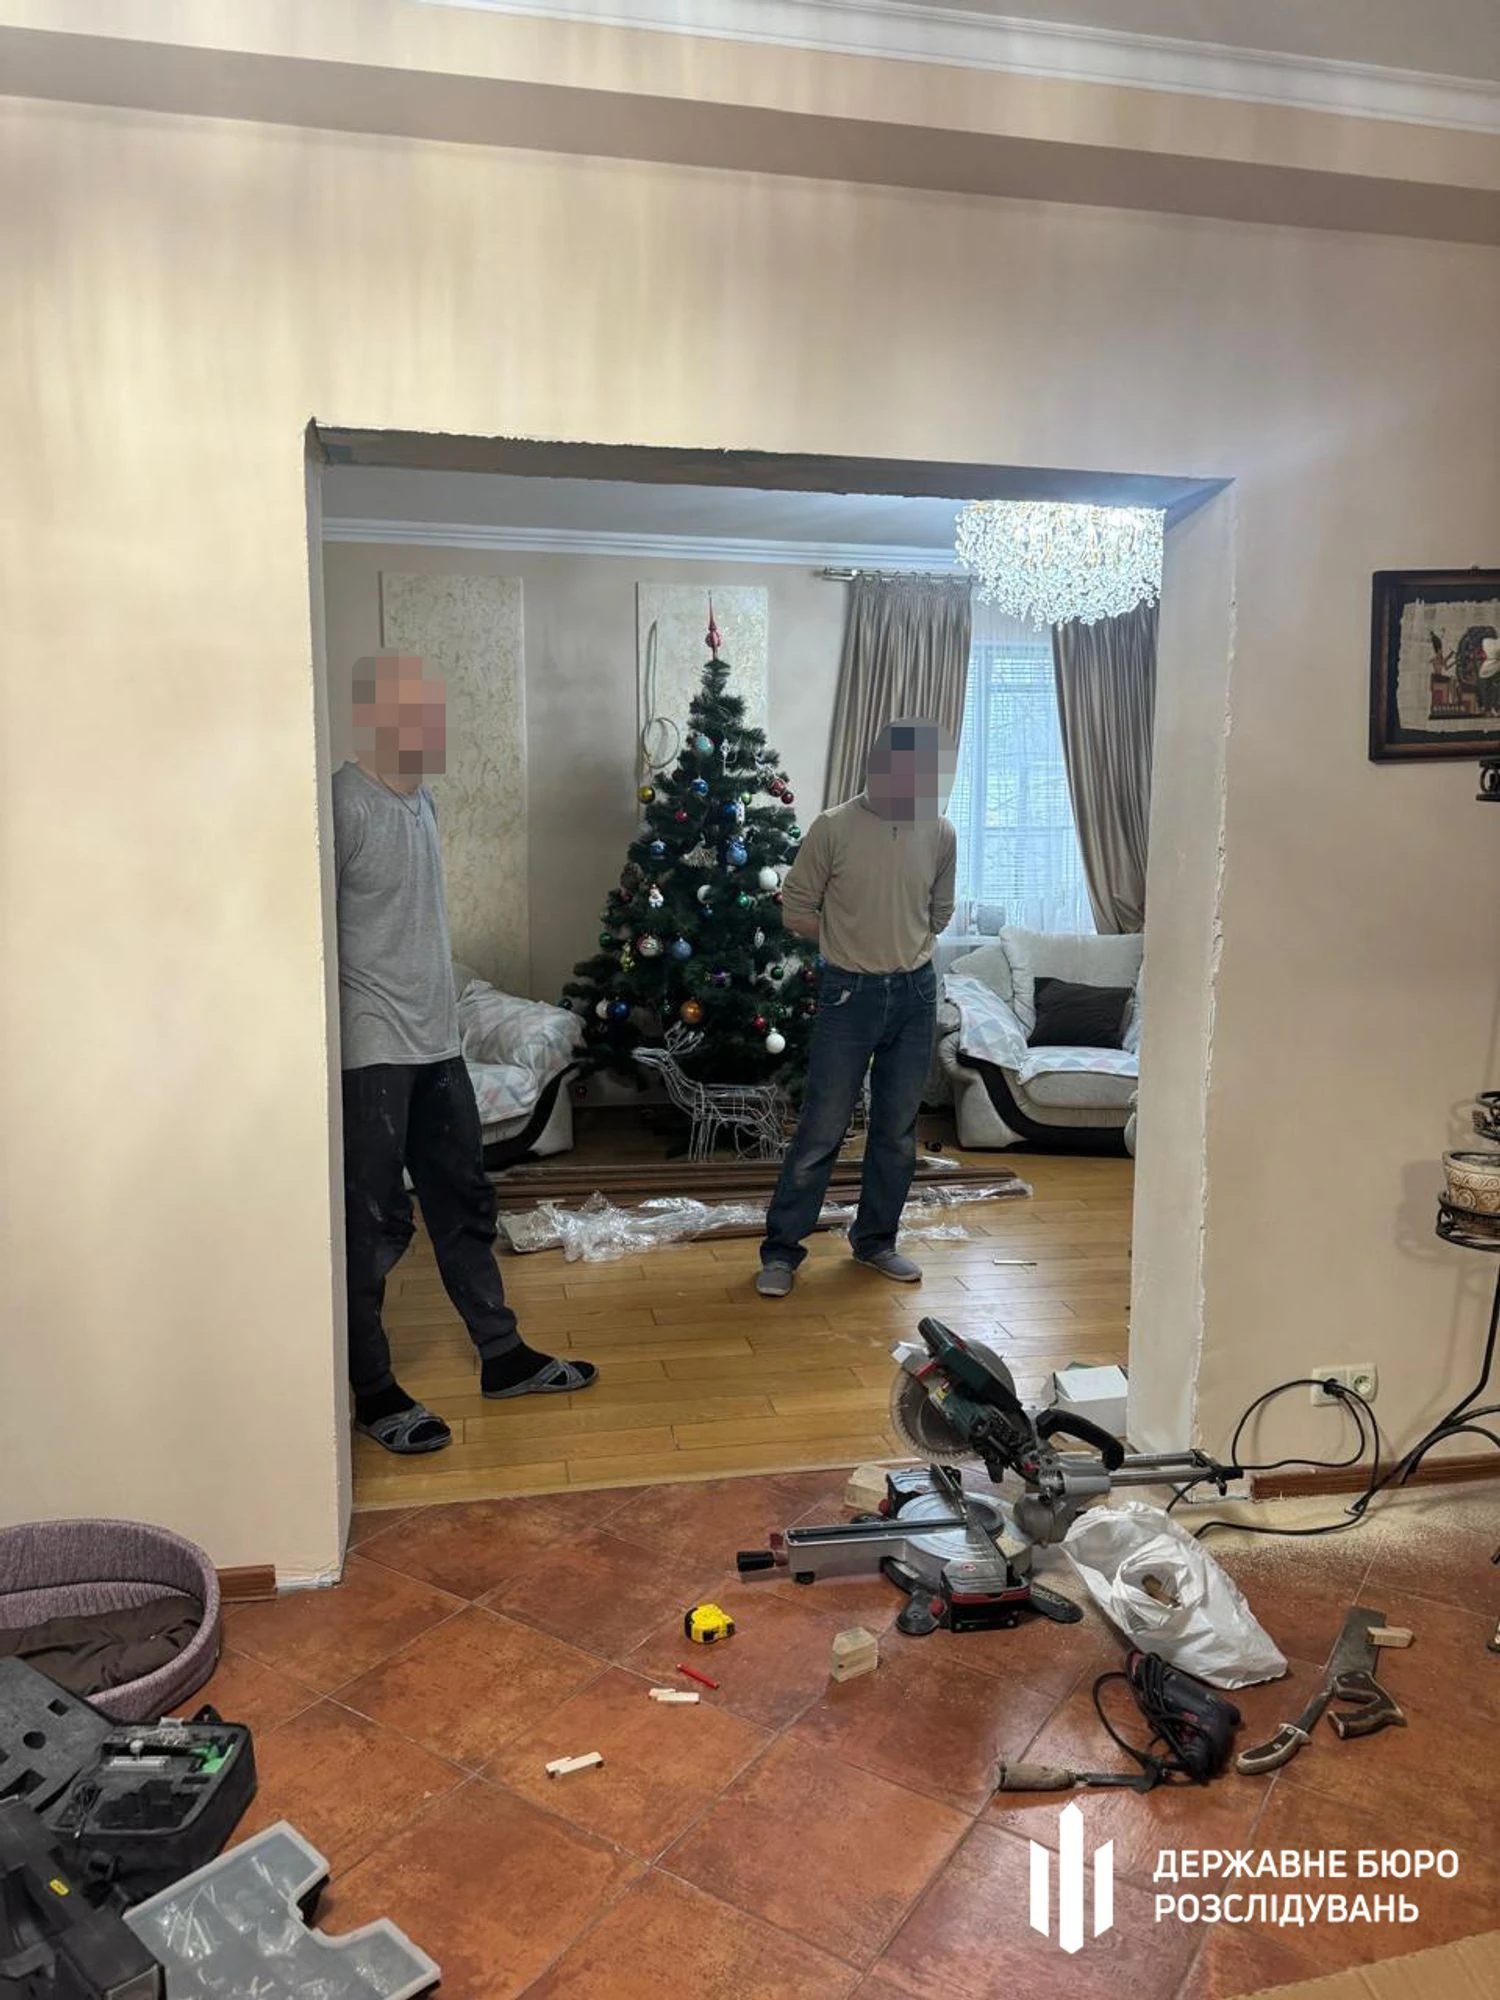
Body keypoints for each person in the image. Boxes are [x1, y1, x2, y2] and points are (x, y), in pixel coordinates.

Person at [334, 653, 597, 1454]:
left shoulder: (423, 801)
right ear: (375, 717)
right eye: (415, 710)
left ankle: (502, 1356)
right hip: (371, 1044)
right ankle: (371, 1389)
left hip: (436, 1036)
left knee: (465, 1201)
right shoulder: (344, 803)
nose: (433, 725)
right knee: (373, 1223)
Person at [757, 718, 957, 1297]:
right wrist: (845, 942)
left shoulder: (940, 831)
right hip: (849, 994)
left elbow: (940, 913)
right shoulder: (834, 827)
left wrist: (898, 941)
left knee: (896, 1131)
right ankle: (781, 1252)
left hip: (916, 994)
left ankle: (875, 1242)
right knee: (822, 1127)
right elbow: (795, 909)